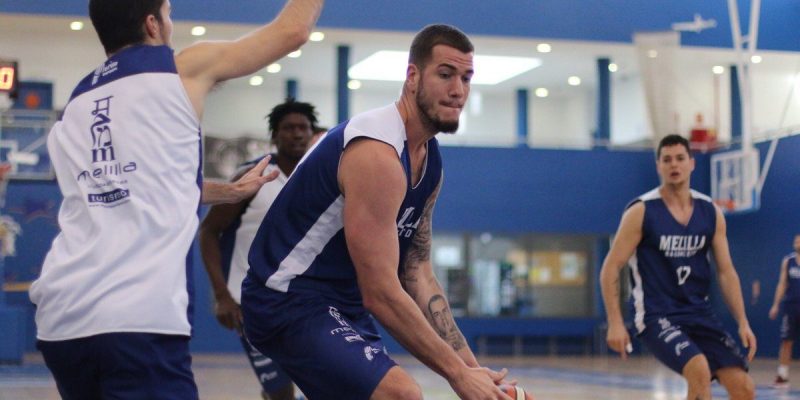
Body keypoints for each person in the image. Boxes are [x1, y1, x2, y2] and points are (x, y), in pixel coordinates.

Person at [28, 1, 323, 399]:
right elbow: (293, 31)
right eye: (168, 12)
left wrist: (230, 192)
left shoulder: (76, 105)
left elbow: (134, 183)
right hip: (136, 320)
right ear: (152, 24)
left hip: (61, 319)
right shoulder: (178, 68)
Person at [241, 24, 513, 400]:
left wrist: (471, 369)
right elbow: (381, 292)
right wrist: (457, 376)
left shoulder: (429, 162)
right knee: (400, 394)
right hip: (287, 299)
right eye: (446, 75)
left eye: (466, 78)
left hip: (342, 306)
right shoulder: (377, 152)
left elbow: (417, 272)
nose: (458, 91)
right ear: (413, 77)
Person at [599, 134, 756, 400]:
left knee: (743, 387)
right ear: (658, 165)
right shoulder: (642, 211)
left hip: (698, 313)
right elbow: (611, 267)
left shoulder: (710, 212)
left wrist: (743, 321)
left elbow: (726, 271)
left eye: (680, 158)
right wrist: (615, 322)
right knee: (698, 369)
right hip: (656, 316)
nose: (674, 165)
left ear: (692, 163)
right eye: (667, 159)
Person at [198, 99, 318, 400]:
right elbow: (209, 231)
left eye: (303, 128)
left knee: (320, 385)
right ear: (274, 136)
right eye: (289, 128)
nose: (297, 134)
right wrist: (222, 295)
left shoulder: (321, 179)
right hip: (250, 304)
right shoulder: (252, 177)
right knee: (281, 394)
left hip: (303, 302)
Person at [768, 234, 800, 388]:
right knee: (786, 340)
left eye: (799, 241)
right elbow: (782, 284)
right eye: (795, 241)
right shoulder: (788, 261)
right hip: (791, 306)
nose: (797, 243)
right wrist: (775, 304)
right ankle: (782, 375)